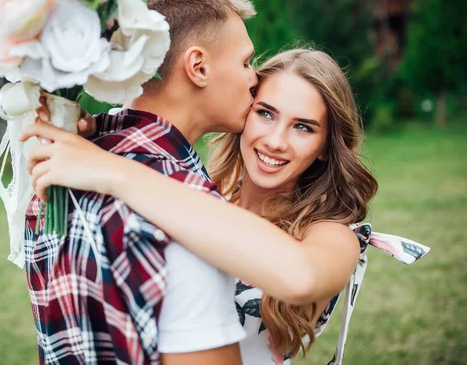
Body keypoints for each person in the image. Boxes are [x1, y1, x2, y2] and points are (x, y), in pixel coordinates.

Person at [22, 48, 426, 364]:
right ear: (244, 114)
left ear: (324, 148)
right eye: (266, 114)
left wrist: (114, 171)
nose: (276, 141)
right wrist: (98, 135)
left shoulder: (333, 238)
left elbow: (300, 276)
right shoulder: (193, 192)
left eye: (303, 127)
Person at [22, 0, 259, 365]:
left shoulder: (63, 168)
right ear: (198, 66)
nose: (255, 78)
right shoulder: (182, 215)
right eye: (246, 61)